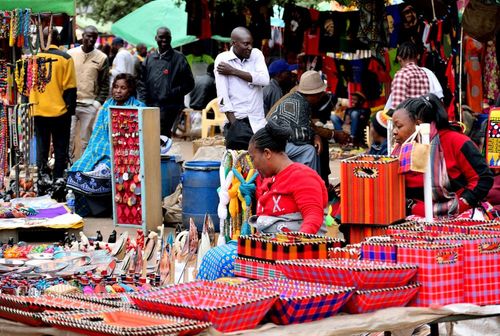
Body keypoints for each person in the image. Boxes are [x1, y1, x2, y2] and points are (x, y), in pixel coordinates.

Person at [197, 119, 328, 280]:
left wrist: (290, 248)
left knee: (223, 261)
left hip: (293, 253)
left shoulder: (303, 176)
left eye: (253, 158)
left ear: (267, 153)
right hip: (267, 248)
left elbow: (313, 218)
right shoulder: (264, 179)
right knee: (212, 255)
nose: (253, 164)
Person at [391, 94, 493, 218]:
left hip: (460, 214)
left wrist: (463, 203)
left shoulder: (456, 141)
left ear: (418, 124)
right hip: (415, 216)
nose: (394, 132)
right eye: (394, 127)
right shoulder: (399, 151)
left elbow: (483, 178)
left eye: (399, 126)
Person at [67, 74, 145, 216]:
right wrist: (95, 151)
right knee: (77, 169)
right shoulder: (107, 106)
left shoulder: (138, 107)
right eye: (115, 87)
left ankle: (106, 209)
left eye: (123, 88)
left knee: (102, 171)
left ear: (130, 90)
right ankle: (90, 210)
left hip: (126, 154)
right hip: (100, 149)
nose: (118, 91)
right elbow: (98, 133)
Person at [29, 28, 76, 181]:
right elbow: (70, 88)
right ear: (58, 39)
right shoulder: (66, 58)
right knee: (60, 148)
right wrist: (70, 111)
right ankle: (57, 179)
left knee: (41, 147)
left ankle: (42, 178)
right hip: (60, 112)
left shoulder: (34, 58)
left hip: (37, 110)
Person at [214, 27, 269, 150]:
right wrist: (235, 126)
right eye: (246, 44)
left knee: (259, 165)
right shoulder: (222, 59)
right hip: (237, 121)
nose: (250, 47)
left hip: (258, 122)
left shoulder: (256, 54)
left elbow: (264, 79)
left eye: (251, 43)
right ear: (234, 43)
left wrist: (233, 71)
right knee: (238, 165)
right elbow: (223, 96)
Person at [138, 27, 194, 137]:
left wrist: (172, 92)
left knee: (163, 139)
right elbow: (142, 83)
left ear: (171, 39)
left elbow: (189, 83)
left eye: (167, 37)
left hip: (170, 108)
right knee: (149, 138)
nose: (164, 40)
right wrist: (143, 102)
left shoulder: (179, 58)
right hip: (150, 107)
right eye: (161, 37)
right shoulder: (149, 59)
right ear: (156, 38)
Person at [67, 25, 110, 160]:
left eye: (94, 37)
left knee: (87, 140)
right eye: (88, 36)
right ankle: (66, 168)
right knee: (68, 138)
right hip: (70, 104)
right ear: (83, 36)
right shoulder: (70, 54)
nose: (91, 39)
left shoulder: (102, 57)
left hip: (90, 105)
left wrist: (96, 104)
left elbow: (105, 84)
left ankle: (84, 167)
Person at [389, 42, 430, 110]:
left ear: (399, 58)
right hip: (423, 117)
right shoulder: (424, 73)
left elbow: (397, 107)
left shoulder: (401, 75)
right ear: (418, 56)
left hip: (408, 118)